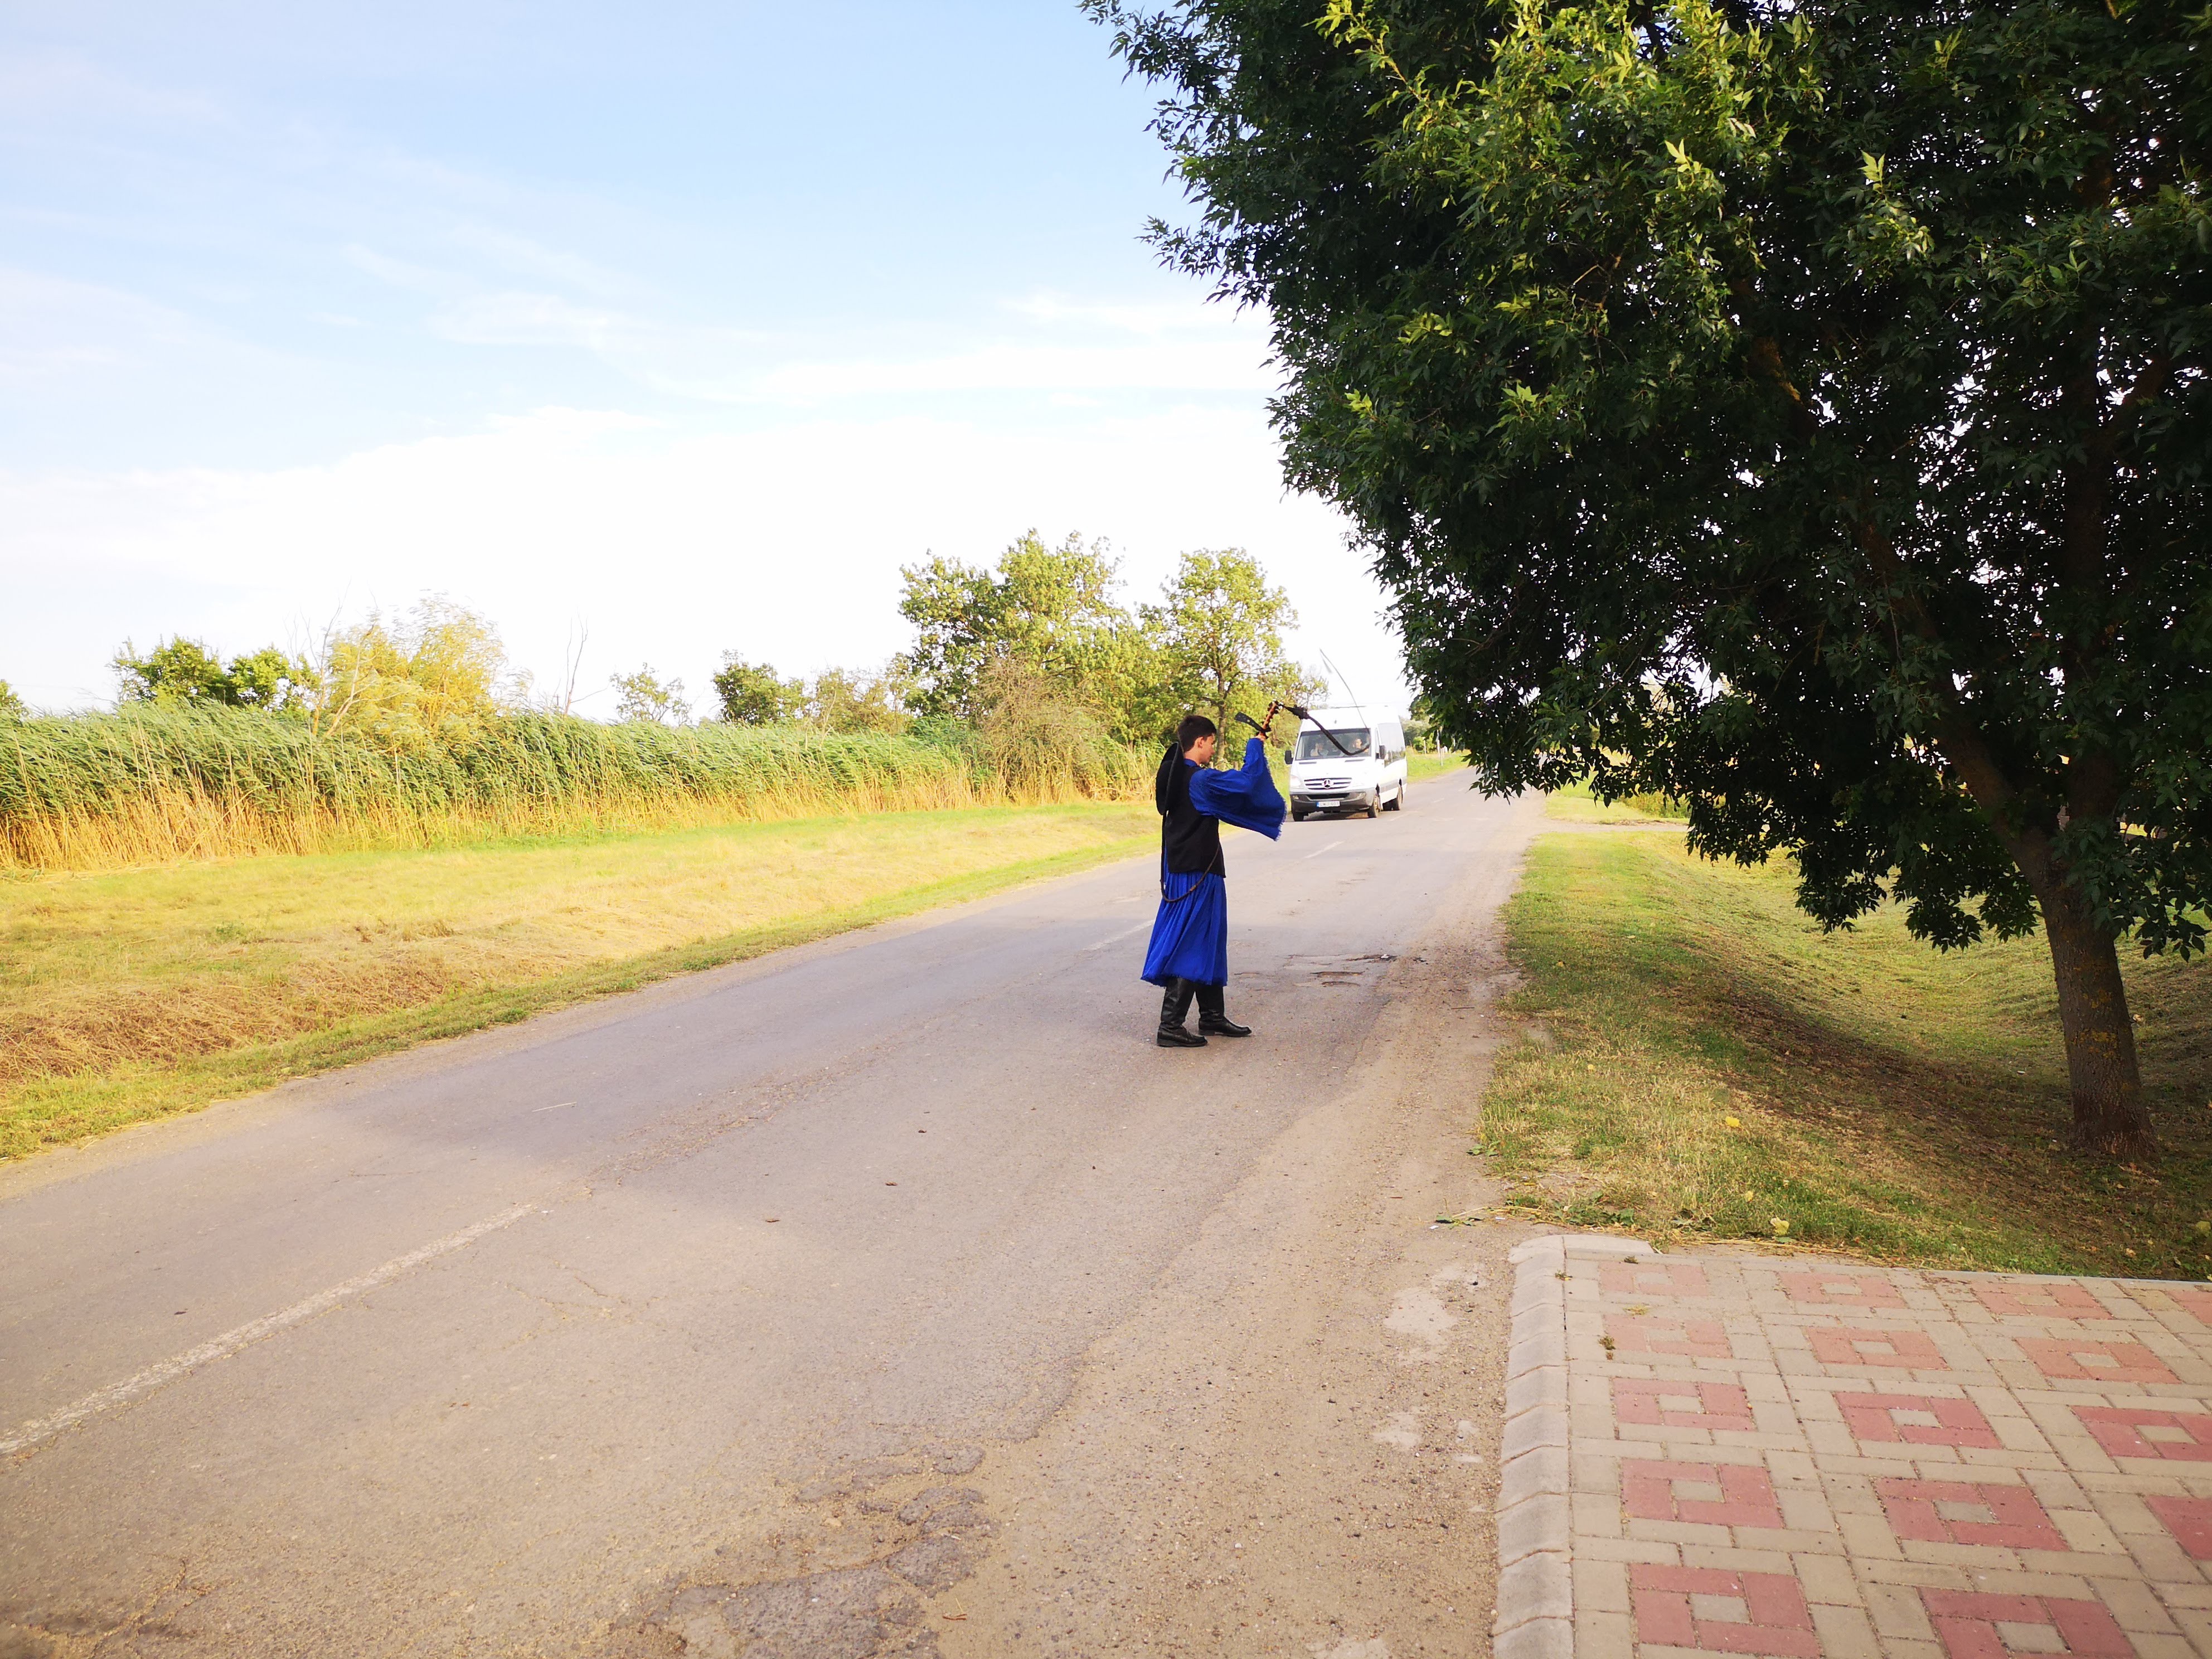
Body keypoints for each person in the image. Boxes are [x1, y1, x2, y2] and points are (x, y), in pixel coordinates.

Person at [1142, 711, 1286, 1046]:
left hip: (1184, 871)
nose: (1212, 751)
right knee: (1191, 942)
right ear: (1201, 741)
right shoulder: (1200, 780)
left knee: (1207, 938)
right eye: (1211, 745)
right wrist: (1255, 746)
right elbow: (1246, 783)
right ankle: (1170, 1026)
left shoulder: (1176, 773)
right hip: (1197, 874)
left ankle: (1212, 1017)